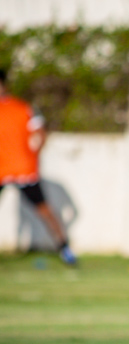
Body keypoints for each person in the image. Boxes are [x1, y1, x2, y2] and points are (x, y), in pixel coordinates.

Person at [0, 69, 77, 265]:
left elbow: (40, 134)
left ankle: (65, 249)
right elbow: (40, 135)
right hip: (8, 168)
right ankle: (65, 250)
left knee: (43, 209)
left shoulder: (23, 108)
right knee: (43, 210)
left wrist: (32, 156)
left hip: (22, 169)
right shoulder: (24, 108)